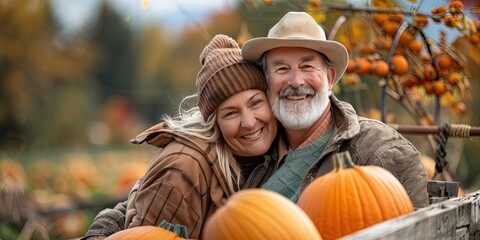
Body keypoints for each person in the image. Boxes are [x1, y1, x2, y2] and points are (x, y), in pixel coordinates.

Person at [81, 34, 278, 239]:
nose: (249, 122)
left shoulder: (270, 150)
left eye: (255, 103)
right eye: (230, 113)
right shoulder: (183, 171)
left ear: (270, 101)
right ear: (214, 122)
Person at [241, 11, 428, 207]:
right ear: (267, 82)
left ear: (329, 78)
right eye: (281, 69)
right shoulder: (255, 150)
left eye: (307, 67)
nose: (295, 81)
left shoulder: (380, 152)